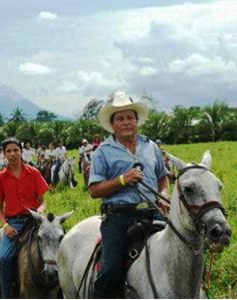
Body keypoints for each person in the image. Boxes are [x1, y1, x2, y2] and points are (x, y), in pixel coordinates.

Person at [89, 91, 170, 299]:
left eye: (130, 117)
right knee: (111, 270)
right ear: (113, 124)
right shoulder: (102, 152)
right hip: (119, 218)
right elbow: (94, 190)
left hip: (154, 212)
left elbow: (163, 177)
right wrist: (123, 180)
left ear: (137, 121)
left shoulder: (151, 147)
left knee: (186, 250)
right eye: (120, 118)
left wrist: (163, 194)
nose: (126, 122)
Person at [0, 137, 49, 299]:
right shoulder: (1, 177)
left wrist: (39, 211)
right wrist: (6, 226)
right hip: (14, 223)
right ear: (4, 154)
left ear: (21, 151)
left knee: (57, 244)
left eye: (16, 150)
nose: (13, 154)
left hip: (35, 219)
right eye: (8, 151)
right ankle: (6, 295)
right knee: (5, 258)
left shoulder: (34, 172)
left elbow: (43, 202)